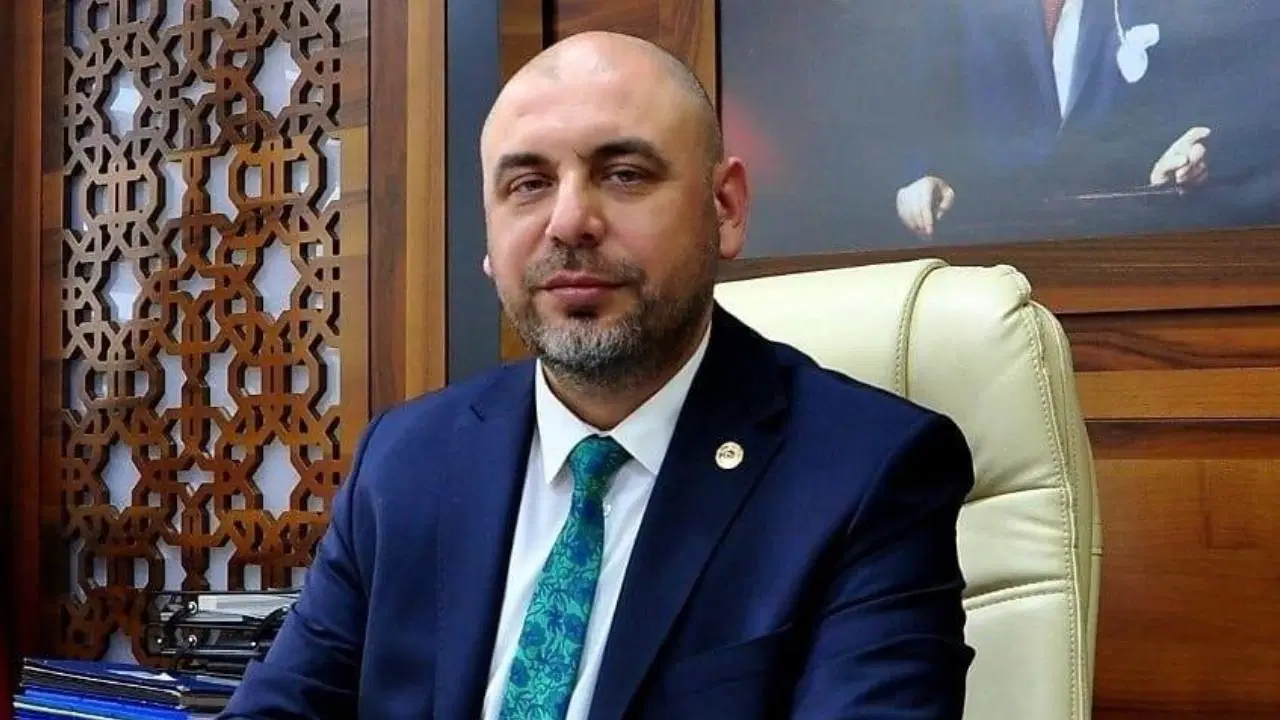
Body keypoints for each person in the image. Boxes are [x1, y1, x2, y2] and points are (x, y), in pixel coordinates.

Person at [219, 30, 976, 719]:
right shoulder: (406, 460)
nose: (568, 222)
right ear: (488, 239)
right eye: (527, 184)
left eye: (623, 174)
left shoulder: (870, 474)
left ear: (725, 208)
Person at [893, 0, 1213, 241]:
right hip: (990, 239)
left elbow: (1178, 114)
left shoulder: (1154, 6)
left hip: (1116, 238)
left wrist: (1173, 168)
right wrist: (920, 178)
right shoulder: (955, 9)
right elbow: (923, 108)